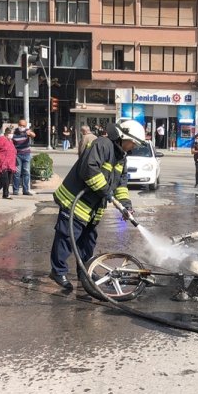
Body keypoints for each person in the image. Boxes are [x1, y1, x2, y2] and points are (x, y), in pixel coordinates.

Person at [48, 120, 146, 291]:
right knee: (66, 237)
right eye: (133, 143)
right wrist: (106, 191)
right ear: (123, 137)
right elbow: (89, 169)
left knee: (88, 241)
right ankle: (58, 271)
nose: (134, 147)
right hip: (75, 201)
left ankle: (86, 270)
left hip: (93, 207)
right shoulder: (102, 145)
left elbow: (121, 184)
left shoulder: (121, 157)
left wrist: (126, 206)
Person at [0, 126, 17, 199]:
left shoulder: (10, 141)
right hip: (2, 163)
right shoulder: (0, 139)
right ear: (7, 133)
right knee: (5, 179)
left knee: (5, 179)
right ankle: (5, 193)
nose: (12, 135)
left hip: (10, 163)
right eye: (11, 133)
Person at [12, 119, 36, 196]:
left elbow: (33, 135)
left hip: (26, 154)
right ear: (18, 124)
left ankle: (25, 190)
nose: (21, 127)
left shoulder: (27, 131)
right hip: (17, 154)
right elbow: (9, 137)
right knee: (17, 172)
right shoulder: (14, 131)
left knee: (26, 172)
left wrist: (30, 133)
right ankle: (15, 190)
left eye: (23, 126)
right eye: (20, 125)